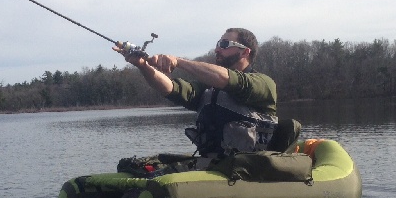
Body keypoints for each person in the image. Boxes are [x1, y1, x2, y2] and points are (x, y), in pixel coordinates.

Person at [115, 28, 277, 157]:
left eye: (225, 44)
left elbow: (229, 79)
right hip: (213, 166)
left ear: (245, 52)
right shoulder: (209, 88)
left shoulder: (263, 84)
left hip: (251, 169)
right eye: (218, 43)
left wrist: (178, 61)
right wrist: (143, 65)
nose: (217, 49)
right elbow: (172, 88)